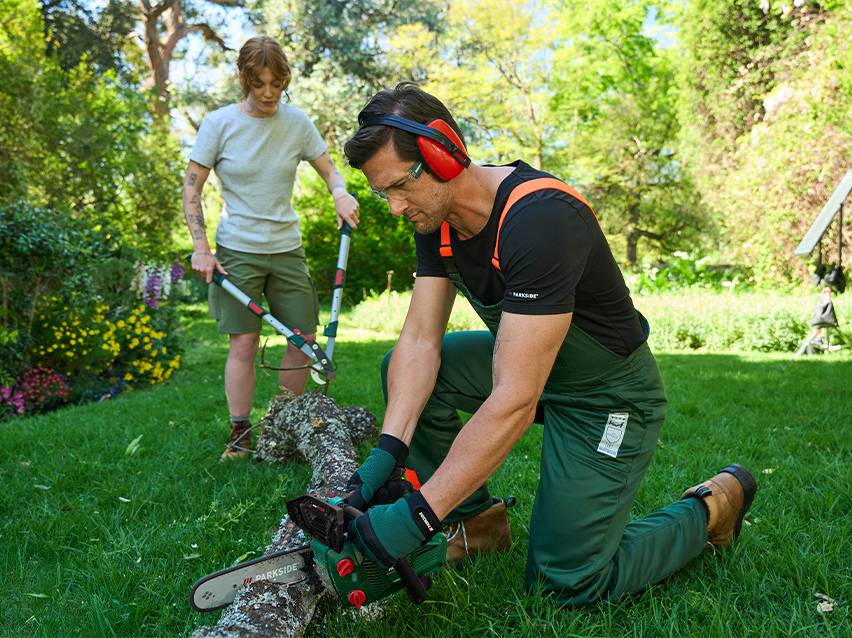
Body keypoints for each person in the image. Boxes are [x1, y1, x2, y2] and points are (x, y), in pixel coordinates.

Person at [339, 83, 757, 606]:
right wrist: (386, 454)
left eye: (400, 186)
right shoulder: (436, 218)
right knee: (414, 367)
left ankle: (712, 508)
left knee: (566, 582)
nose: (395, 207)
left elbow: (514, 397)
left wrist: (419, 514)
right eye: (384, 194)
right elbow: (421, 342)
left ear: (443, 155)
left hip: (606, 397)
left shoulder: (540, 218)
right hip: (533, 369)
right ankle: (478, 525)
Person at [182, 36, 359, 460]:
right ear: (244, 80)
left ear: (285, 82)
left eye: (276, 84)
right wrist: (201, 247)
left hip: (286, 247)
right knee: (243, 343)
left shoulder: (296, 122)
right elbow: (191, 190)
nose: (267, 94)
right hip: (237, 249)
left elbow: (331, 172)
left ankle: (283, 426)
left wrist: (340, 193)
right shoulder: (219, 123)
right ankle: (240, 435)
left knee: (303, 338)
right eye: (258, 83)